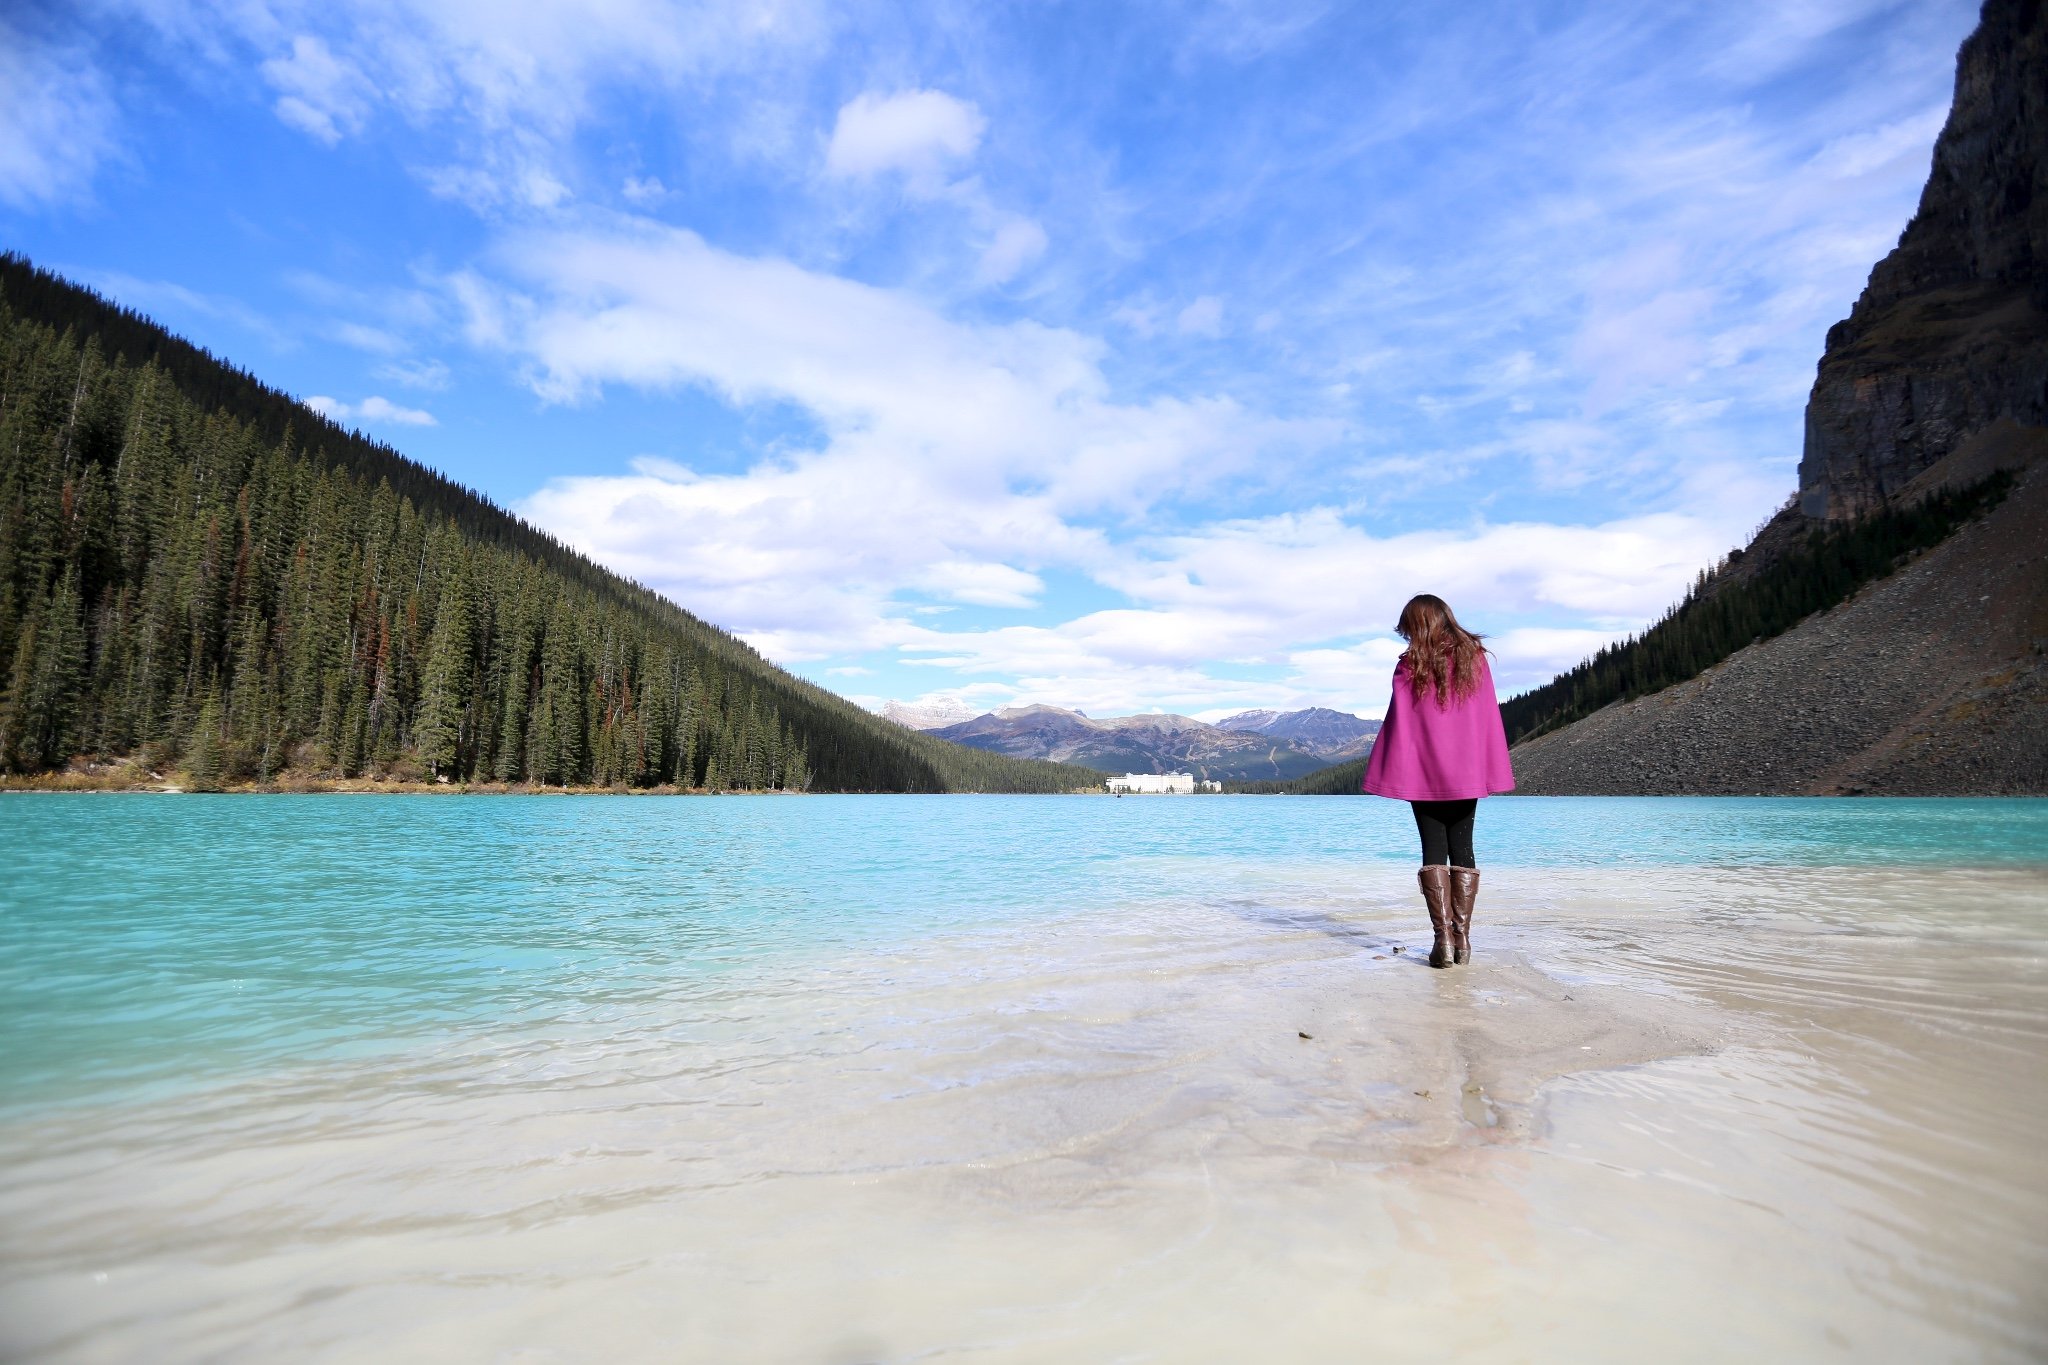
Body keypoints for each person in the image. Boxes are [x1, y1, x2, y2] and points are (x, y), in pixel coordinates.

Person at [1360, 594, 1514, 968]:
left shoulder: (1410, 665)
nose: (1407, 637)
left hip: (1425, 772)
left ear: (1419, 626)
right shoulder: (1475, 660)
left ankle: (1442, 940)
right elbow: (1484, 717)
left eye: (1408, 629)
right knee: (1463, 846)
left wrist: (1394, 766)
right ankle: (1462, 942)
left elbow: (1403, 723)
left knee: (1433, 847)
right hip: (1466, 771)